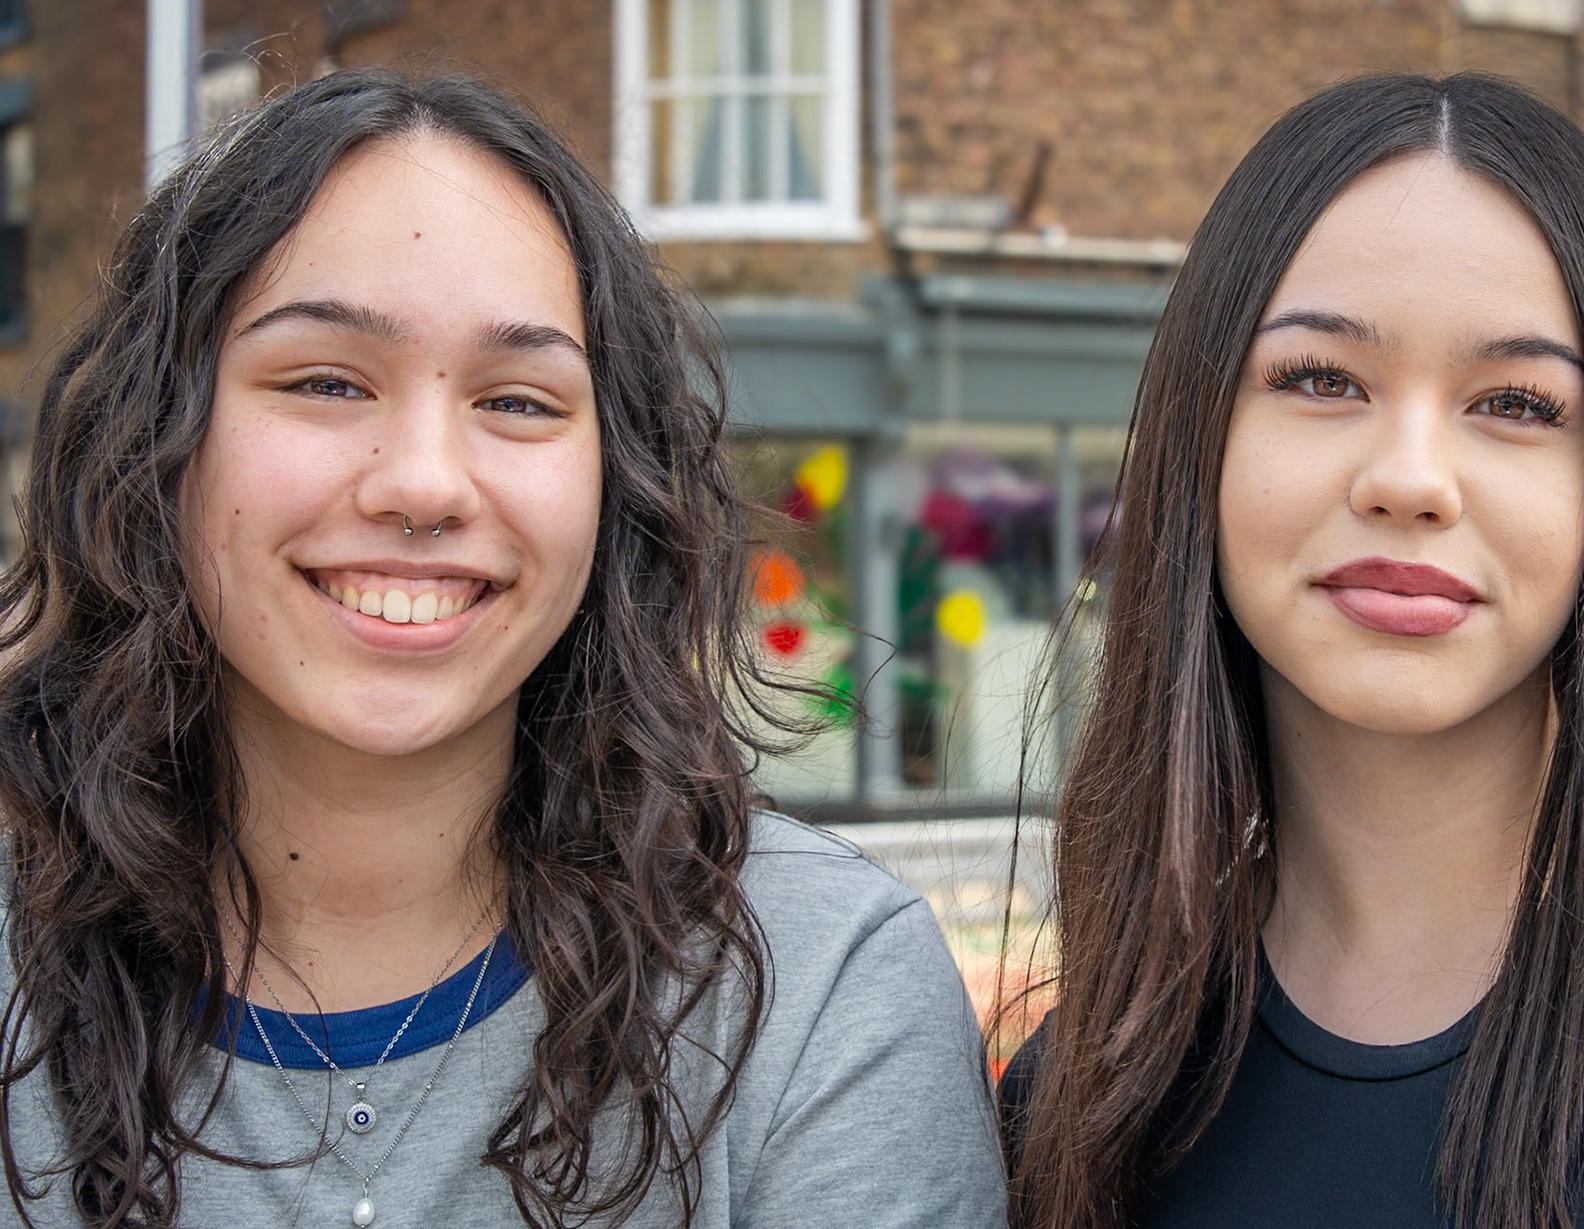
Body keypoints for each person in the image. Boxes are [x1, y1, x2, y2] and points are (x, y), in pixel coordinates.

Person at [0, 69, 1005, 1229]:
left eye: (520, 400)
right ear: (158, 439)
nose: (425, 481)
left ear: (614, 482)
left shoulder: (818, 987)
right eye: (326, 380)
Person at [999, 72, 1584, 1229]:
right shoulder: (1080, 1108)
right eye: (1321, 378)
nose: (1411, 479)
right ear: (1200, 446)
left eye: (1519, 403)